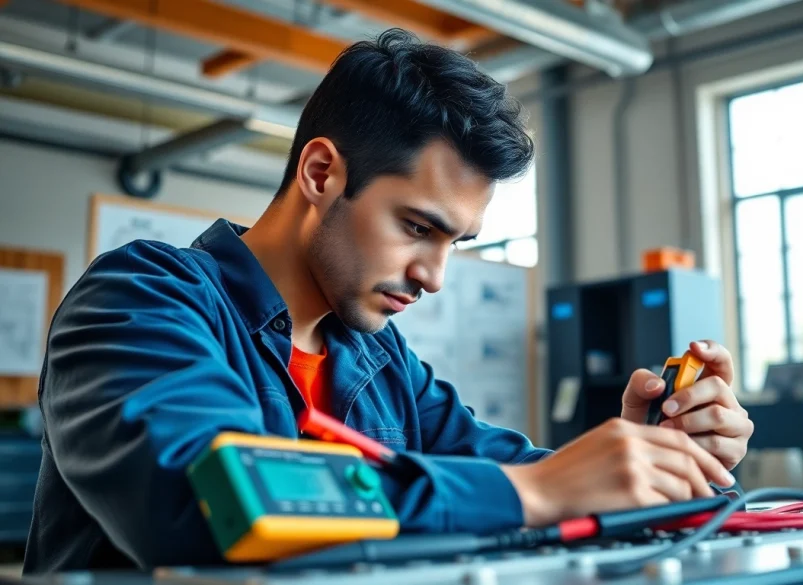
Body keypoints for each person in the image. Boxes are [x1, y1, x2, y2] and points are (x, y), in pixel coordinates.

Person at [23, 29, 753, 573]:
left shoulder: (377, 359)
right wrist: (540, 490)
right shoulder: (138, 299)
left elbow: (512, 469)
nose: (434, 275)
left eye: (455, 242)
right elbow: (209, 502)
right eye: (415, 227)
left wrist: (648, 456)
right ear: (320, 173)